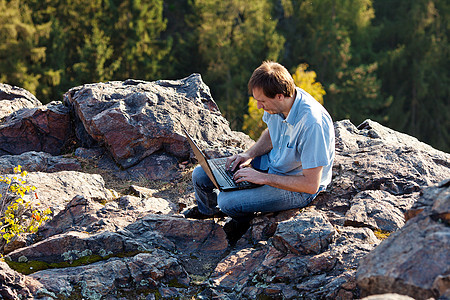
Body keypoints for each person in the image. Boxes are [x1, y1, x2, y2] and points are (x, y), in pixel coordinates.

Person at [184, 61, 335, 240]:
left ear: (280, 96)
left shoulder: (312, 124)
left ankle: (242, 222)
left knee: (226, 202)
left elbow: (311, 185)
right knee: (201, 174)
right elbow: (272, 133)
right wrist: (249, 154)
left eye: (262, 101)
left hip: (298, 188)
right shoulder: (280, 105)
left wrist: (262, 178)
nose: (258, 106)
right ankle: (209, 213)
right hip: (274, 164)